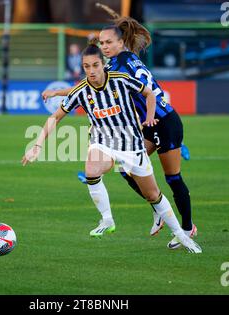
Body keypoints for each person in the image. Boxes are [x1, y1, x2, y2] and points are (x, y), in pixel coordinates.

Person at [23, 41, 202, 254]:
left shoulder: (121, 80)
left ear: (103, 65)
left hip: (131, 145)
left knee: (153, 194)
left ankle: (183, 235)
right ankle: (107, 220)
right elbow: (55, 117)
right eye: (86, 66)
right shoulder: (81, 90)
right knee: (91, 169)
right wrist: (37, 145)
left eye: (95, 65)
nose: (91, 71)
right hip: (103, 142)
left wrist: (151, 117)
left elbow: (149, 94)